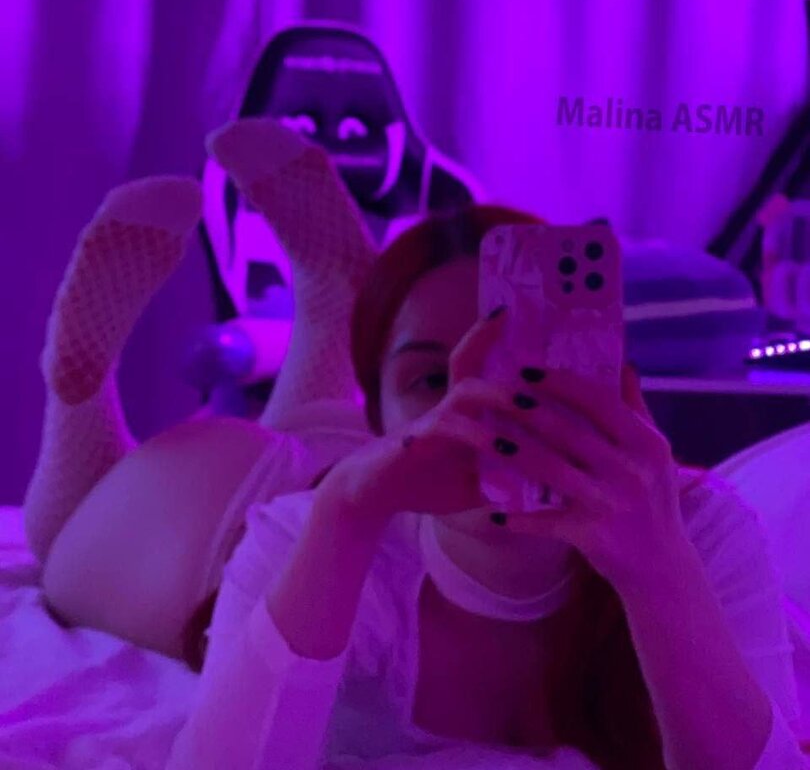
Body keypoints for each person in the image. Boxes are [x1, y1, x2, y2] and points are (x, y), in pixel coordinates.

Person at [165, 205, 805, 770]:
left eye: (518, 370)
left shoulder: (699, 532)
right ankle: (317, 301)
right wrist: (346, 515)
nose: (476, 410)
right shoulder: (313, 528)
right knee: (148, 528)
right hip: (222, 508)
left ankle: (328, 296)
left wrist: (656, 571)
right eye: (431, 381)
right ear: (376, 419)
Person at [27, 118, 378, 661]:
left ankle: (78, 395)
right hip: (130, 565)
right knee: (309, 457)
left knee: (303, 463)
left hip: (100, 558)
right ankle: (336, 305)